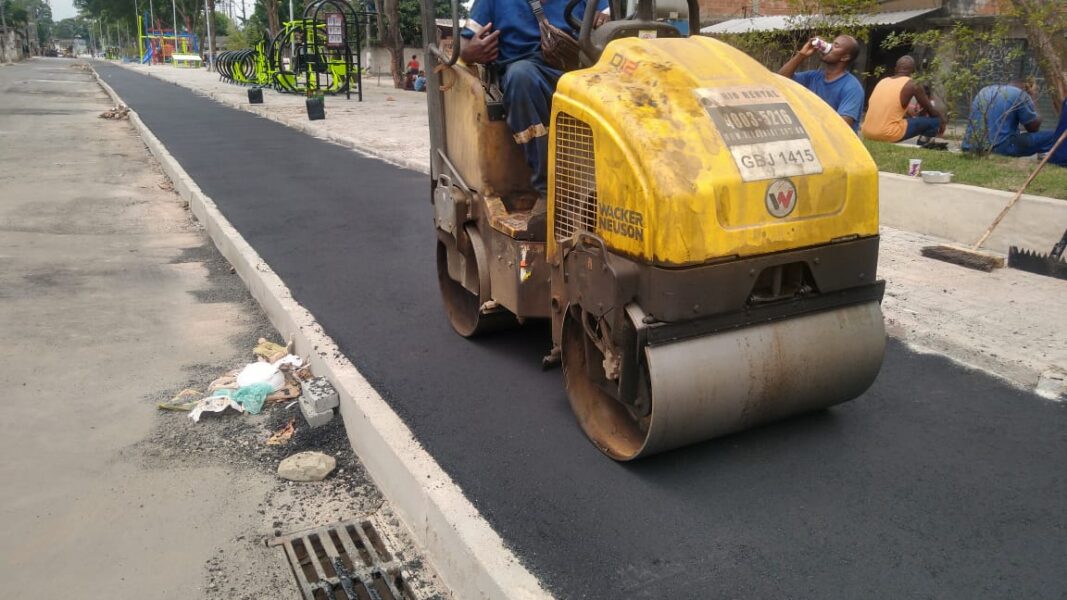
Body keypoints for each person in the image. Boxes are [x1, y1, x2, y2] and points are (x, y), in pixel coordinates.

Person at [461, 0, 609, 196]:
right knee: (521, 76)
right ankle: (548, 188)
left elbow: (613, 23)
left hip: (579, 73)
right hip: (526, 74)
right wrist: (469, 51)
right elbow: (464, 45)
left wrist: (608, 21)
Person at [779, 35, 864, 132]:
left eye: (836, 46)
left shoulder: (852, 87)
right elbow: (780, 79)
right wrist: (802, 55)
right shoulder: (814, 77)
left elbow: (841, 128)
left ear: (845, 57)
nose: (830, 47)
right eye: (831, 43)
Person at [861, 56, 946, 145]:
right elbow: (931, 111)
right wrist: (942, 120)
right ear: (913, 71)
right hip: (886, 134)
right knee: (935, 121)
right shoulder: (912, 84)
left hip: (867, 132)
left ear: (895, 69)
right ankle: (922, 144)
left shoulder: (882, 81)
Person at [962, 81, 1055, 157]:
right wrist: (1033, 99)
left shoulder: (985, 90)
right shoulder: (1020, 94)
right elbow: (1033, 127)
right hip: (998, 148)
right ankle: (1052, 156)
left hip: (969, 145)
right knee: (1053, 136)